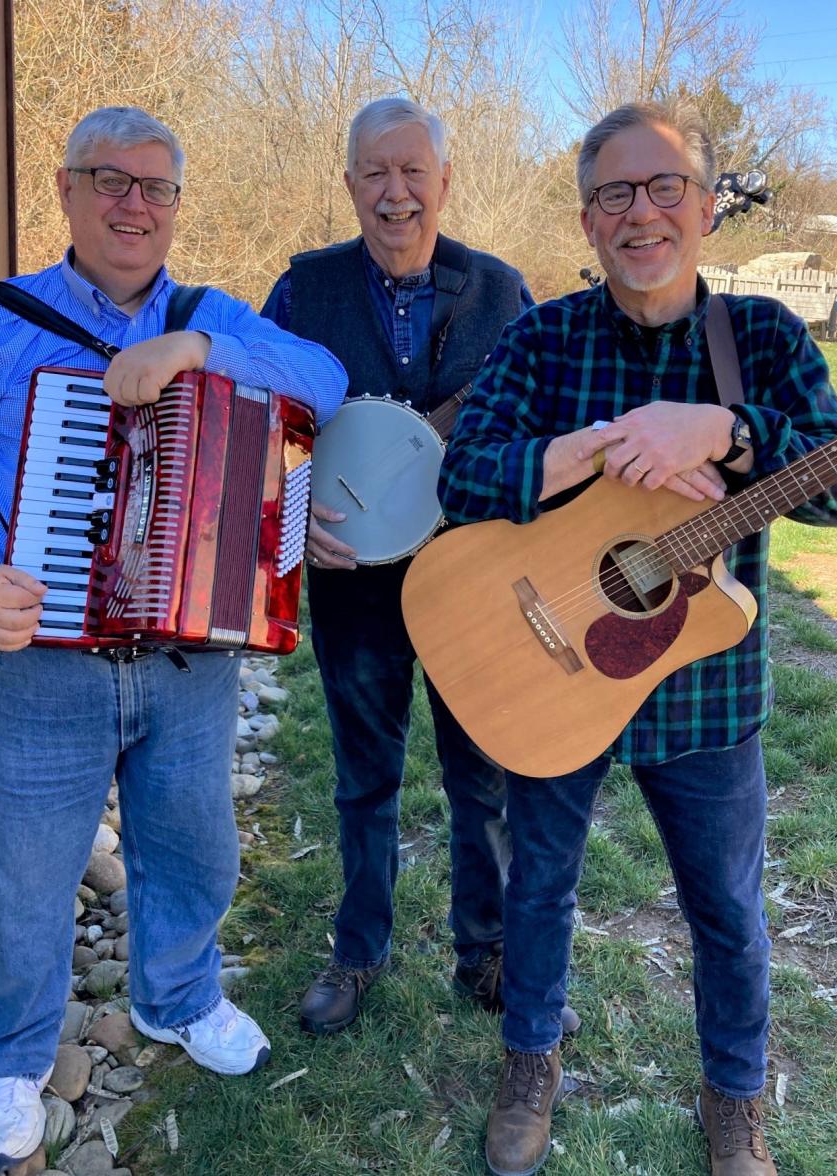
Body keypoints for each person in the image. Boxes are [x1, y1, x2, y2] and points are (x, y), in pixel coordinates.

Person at [0, 106, 346, 1175]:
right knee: (23, 871)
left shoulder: (210, 313)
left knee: (194, 849)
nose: (134, 205)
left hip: (191, 665)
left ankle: (179, 996)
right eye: (111, 181)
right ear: (64, 190)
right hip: (37, 663)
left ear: (177, 205)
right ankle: (7, 1056)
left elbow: (321, 381)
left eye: (156, 187)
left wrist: (199, 348)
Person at [438, 99, 837, 1176]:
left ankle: (736, 1097)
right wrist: (591, 451)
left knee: (724, 907)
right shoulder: (543, 336)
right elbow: (464, 471)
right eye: (615, 193)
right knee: (539, 884)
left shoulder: (762, 338)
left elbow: (835, 490)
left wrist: (726, 430)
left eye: (665, 186)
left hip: (706, 686)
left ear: (707, 206)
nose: (642, 213)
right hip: (556, 667)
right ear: (586, 221)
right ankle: (530, 1059)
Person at [263, 97, 580, 1037]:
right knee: (364, 777)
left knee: (480, 773)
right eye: (375, 174)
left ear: (445, 181)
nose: (395, 194)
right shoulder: (303, 290)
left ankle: (484, 953)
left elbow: (543, 427)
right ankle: (359, 951)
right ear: (350, 181)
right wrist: (287, 504)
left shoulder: (499, 290)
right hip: (353, 575)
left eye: (414, 173)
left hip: (473, 575)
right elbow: (259, 418)